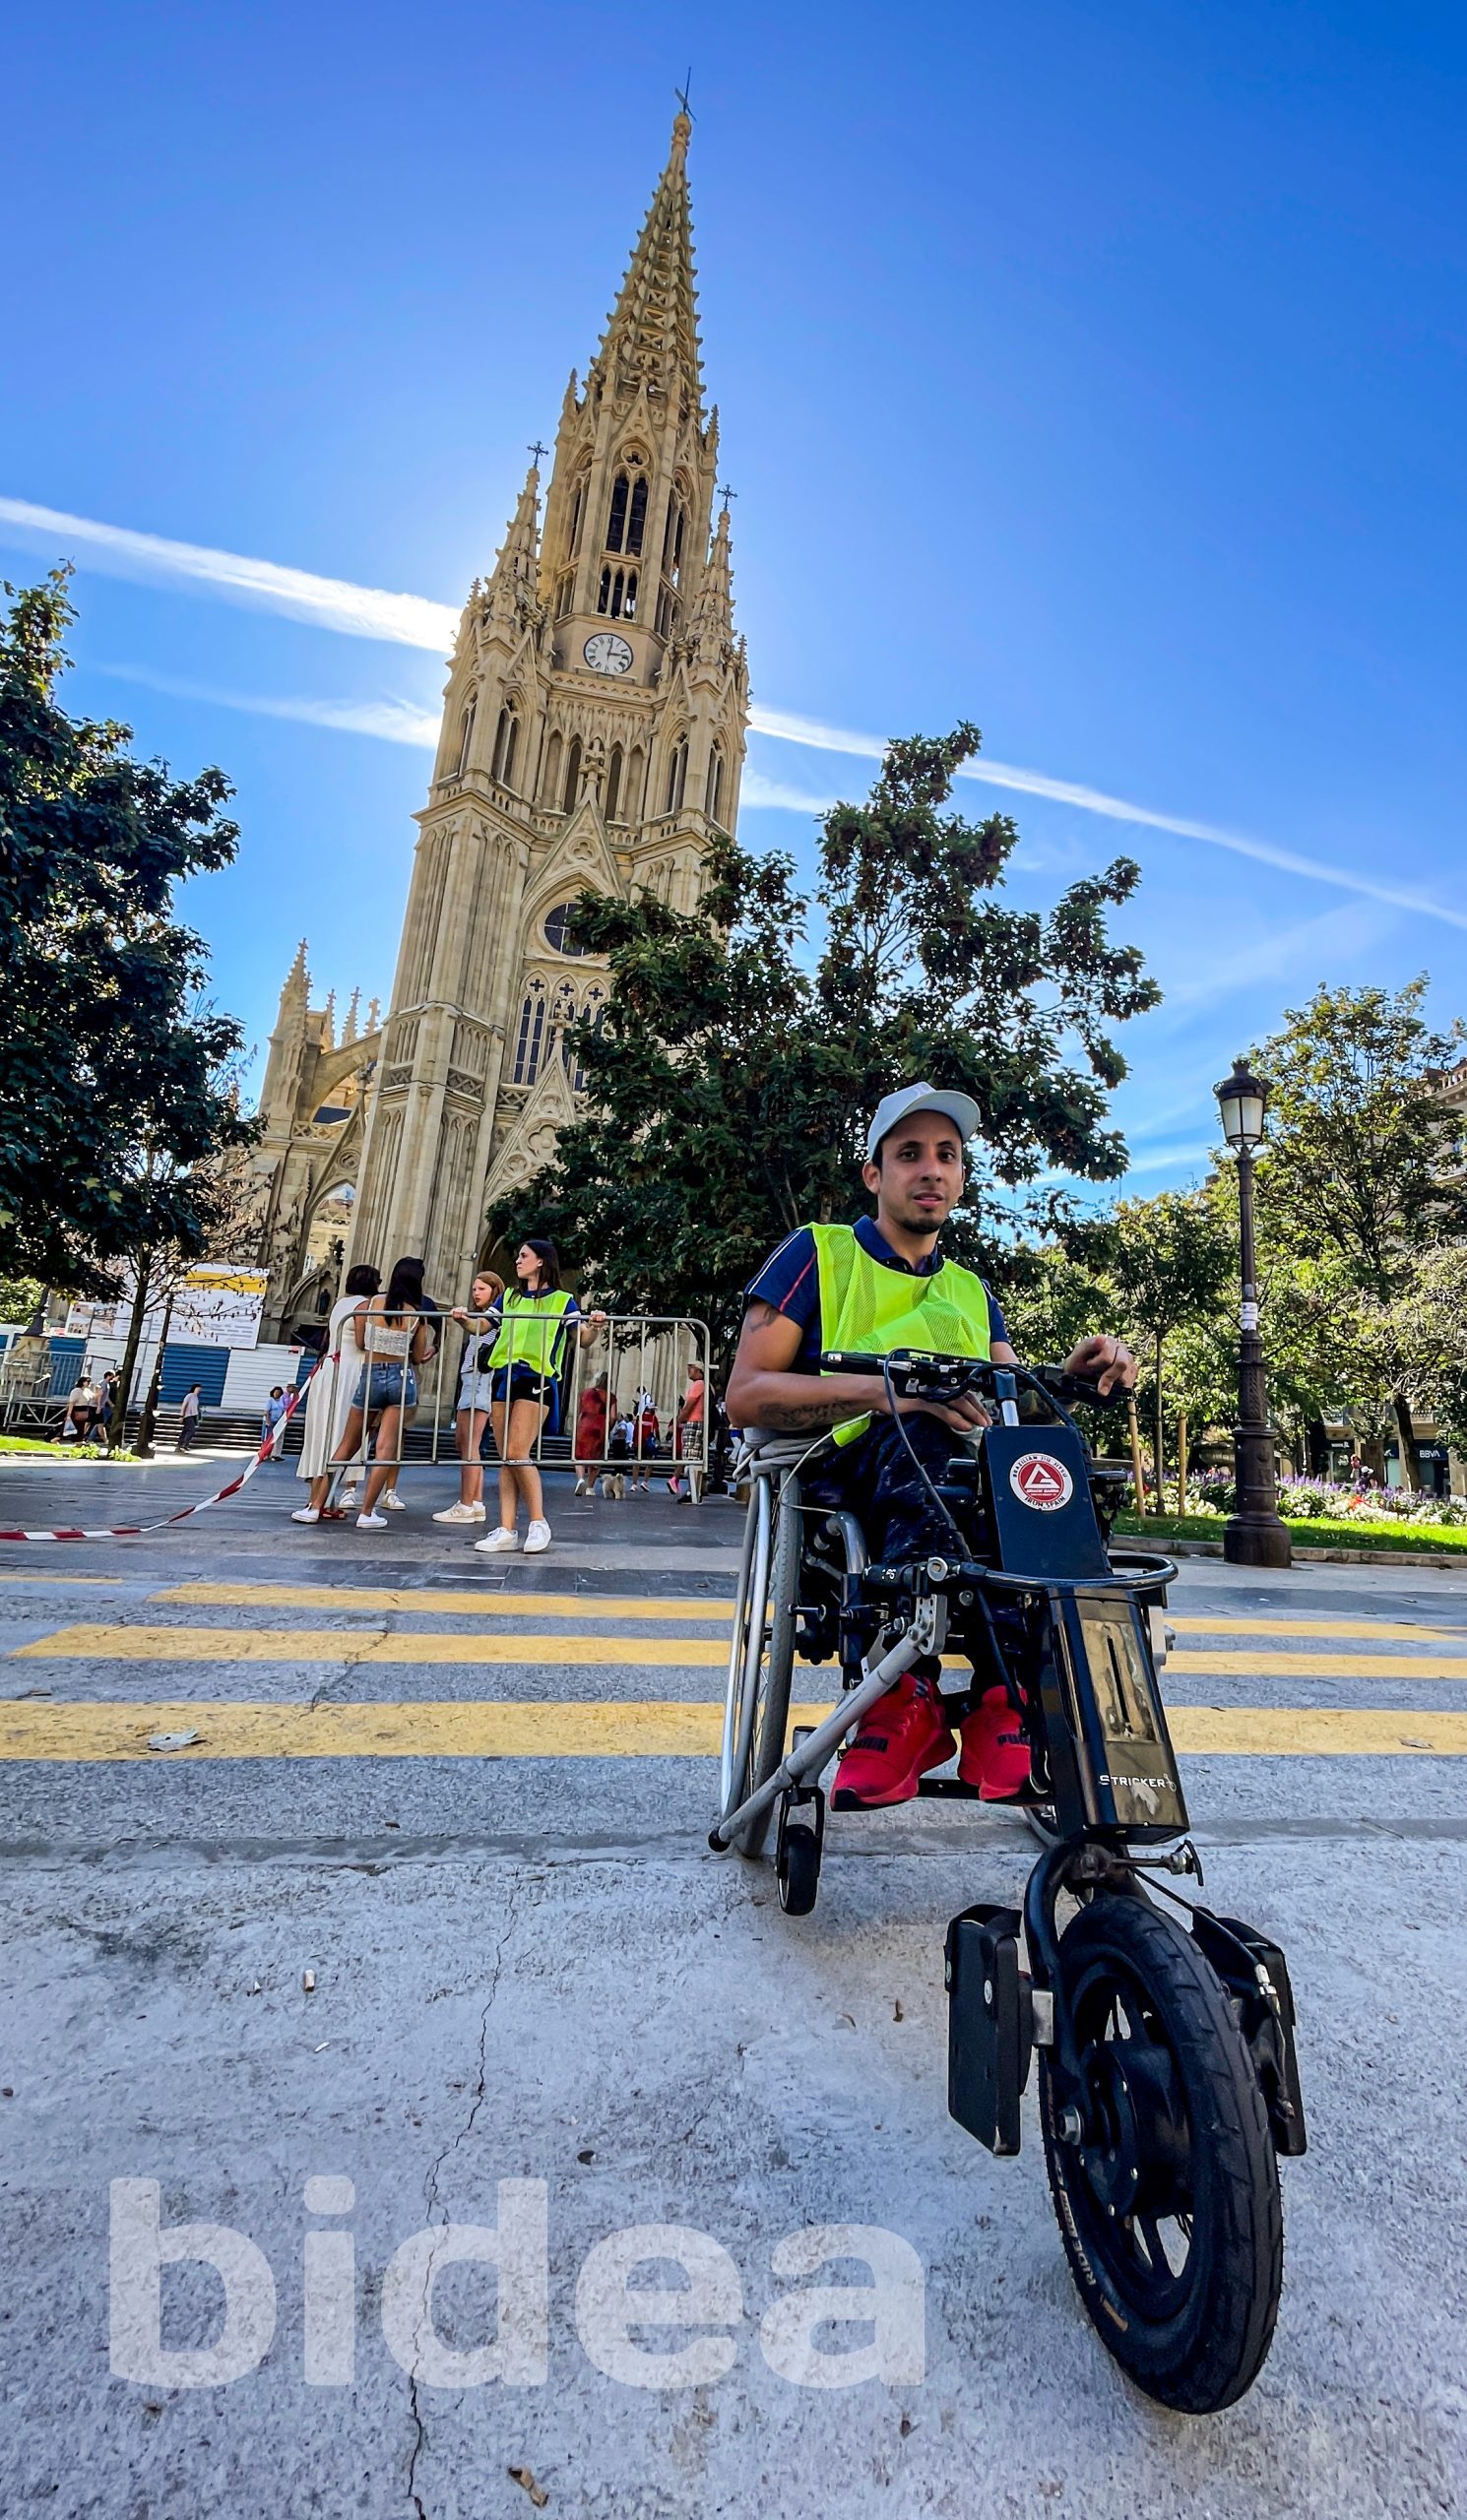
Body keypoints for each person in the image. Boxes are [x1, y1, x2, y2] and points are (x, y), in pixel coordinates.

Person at [726, 1083, 1136, 1811]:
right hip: (841, 1478)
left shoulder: (971, 1292)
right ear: (873, 1174)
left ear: (961, 1176)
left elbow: (1009, 1399)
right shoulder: (815, 1254)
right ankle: (903, 1694)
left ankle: (1005, 1703)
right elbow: (747, 1394)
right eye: (909, 1154)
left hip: (955, 1481)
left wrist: (1070, 1381)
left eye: (946, 1155)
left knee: (1047, 1467)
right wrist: (890, 1395)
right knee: (918, 1431)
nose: (931, 1170)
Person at [473, 1239, 606, 1556]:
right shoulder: (509, 1297)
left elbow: (583, 1338)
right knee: (506, 1455)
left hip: (538, 1378)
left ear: (541, 1262)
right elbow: (482, 1324)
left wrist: (595, 1327)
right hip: (504, 1375)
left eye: (523, 1256)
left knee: (518, 1451)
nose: (517, 1261)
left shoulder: (563, 1301)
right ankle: (506, 1529)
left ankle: (538, 1522)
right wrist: (463, 1317)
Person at [293, 1256, 433, 1529]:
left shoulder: (370, 1305)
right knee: (384, 1449)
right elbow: (416, 1357)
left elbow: (360, 1341)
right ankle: (367, 1512)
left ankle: (314, 1506)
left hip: (370, 1375)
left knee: (347, 1443)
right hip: (400, 1378)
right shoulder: (417, 1316)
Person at [295, 1265, 379, 1513]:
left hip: (330, 1369)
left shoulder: (340, 1304)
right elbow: (362, 1342)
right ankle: (320, 1503)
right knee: (340, 1437)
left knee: (323, 1436)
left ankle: (319, 1501)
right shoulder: (364, 1306)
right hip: (349, 1372)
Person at [433, 1271, 506, 1524]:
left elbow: (479, 1330)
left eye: (482, 1289)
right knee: (467, 1444)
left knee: (470, 1445)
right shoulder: (487, 1316)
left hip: (478, 1376)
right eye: (474, 1288)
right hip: (472, 1377)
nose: (476, 1292)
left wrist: (463, 1319)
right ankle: (475, 1502)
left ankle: (466, 1504)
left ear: (494, 1291)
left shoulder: (491, 1318)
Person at [667, 1368, 707, 1502]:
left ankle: (692, 1493)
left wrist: (676, 1422)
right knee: (693, 1459)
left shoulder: (698, 1384)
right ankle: (694, 1492)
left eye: (692, 1368)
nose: (689, 1370)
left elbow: (688, 1406)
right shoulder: (703, 1385)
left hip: (694, 1423)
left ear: (700, 1371)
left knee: (690, 1459)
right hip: (697, 1423)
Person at [573, 1371, 610, 1498]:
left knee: (579, 1456)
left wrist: (578, 1426)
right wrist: (607, 1427)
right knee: (596, 1457)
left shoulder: (585, 1393)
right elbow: (614, 1416)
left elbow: (580, 1411)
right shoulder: (610, 1396)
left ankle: (580, 1480)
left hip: (584, 1425)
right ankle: (590, 1487)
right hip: (599, 1427)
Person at [631, 1390, 660, 1493]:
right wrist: (658, 1441)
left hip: (639, 1442)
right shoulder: (653, 1418)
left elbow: (635, 1430)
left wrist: (634, 1442)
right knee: (650, 1463)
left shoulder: (640, 1418)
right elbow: (656, 1431)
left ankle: (634, 1484)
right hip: (649, 1444)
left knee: (636, 1464)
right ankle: (644, 1481)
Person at [605, 1402, 633, 1500]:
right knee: (617, 1462)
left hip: (619, 1444)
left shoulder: (622, 1425)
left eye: (618, 1416)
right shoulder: (620, 1424)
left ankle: (618, 1475)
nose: (617, 1418)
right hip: (618, 1444)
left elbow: (622, 1434)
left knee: (618, 1461)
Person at [63, 1376, 100, 1441]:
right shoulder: (76, 1390)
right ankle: (59, 1438)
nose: (89, 1383)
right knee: (74, 1425)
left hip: (84, 1410)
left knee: (81, 1427)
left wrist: (98, 1389)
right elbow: (72, 1402)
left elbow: (94, 1396)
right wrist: (69, 1413)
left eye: (90, 1381)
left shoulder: (86, 1390)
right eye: (87, 1381)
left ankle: (78, 1440)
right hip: (76, 1409)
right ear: (82, 1382)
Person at [261, 1386, 289, 1458]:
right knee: (267, 1437)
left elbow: (282, 1409)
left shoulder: (280, 1400)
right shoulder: (270, 1400)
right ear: (273, 1392)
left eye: (278, 1393)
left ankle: (271, 1453)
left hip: (277, 1421)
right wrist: (268, 1421)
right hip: (270, 1421)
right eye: (275, 1392)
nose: (276, 1394)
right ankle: (264, 1453)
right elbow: (266, 1411)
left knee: (274, 1438)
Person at [176, 1384, 203, 1451]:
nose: (199, 1390)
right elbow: (184, 1405)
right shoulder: (189, 1396)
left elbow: (196, 1407)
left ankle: (179, 1445)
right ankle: (184, 1445)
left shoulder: (196, 1397)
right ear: (194, 1388)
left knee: (185, 1431)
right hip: (187, 1415)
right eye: (198, 1389)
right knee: (191, 1430)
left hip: (193, 1416)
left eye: (200, 1389)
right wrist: (181, 1416)